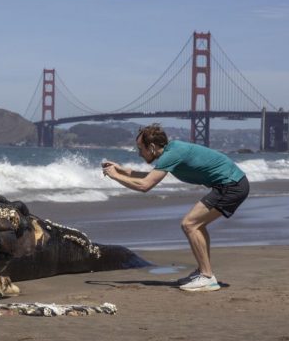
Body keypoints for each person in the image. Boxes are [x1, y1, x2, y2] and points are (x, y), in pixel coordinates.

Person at [101, 124, 249, 292]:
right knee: (196, 225)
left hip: (231, 185)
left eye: (140, 148)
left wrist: (115, 177)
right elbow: (149, 177)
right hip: (232, 184)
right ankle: (204, 272)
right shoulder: (171, 152)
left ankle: (207, 277)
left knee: (190, 224)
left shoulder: (171, 154)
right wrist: (121, 171)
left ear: (151, 147)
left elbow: (145, 186)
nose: (139, 153)